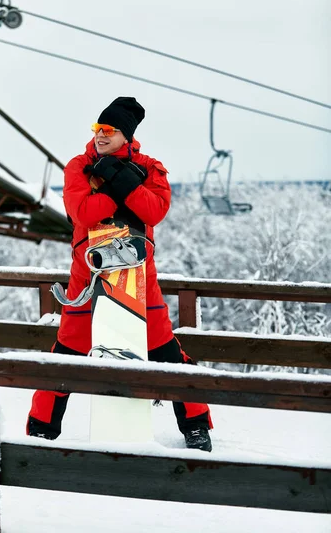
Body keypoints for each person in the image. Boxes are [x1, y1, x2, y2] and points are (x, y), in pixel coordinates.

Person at [27, 97, 213, 451]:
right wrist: (121, 185)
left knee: (166, 353)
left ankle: (196, 426)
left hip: (139, 278)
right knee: (67, 353)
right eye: (97, 129)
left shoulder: (149, 167)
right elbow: (82, 213)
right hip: (89, 276)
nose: (100, 135)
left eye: (108, 130)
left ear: (125, 136)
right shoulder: (79, 166)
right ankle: (41, 428)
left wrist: (114, 183)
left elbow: (154, 210)